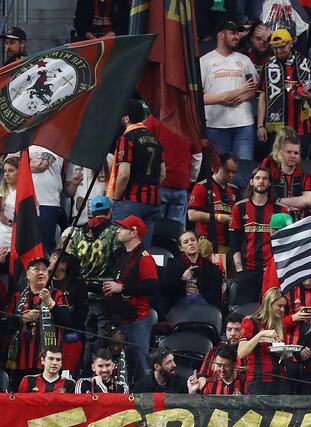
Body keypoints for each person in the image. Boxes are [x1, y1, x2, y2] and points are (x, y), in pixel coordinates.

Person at [67, 195, 123, 373]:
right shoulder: (115, 231)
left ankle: (85, 373)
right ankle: (96, 376)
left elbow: (71, 261)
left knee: (88, 338)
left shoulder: (77, 232)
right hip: (104, 292)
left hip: (82, 292)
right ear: (109, 212)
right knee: (101, 339)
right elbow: (119, 261)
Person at [103, 215, 158, 384]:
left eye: (122, 228)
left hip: (137, 321)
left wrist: (122, 288)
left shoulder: (145, 257)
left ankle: (145, 400)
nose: (118, 231)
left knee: (140, 363)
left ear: (133, 232)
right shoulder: (121, 254)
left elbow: (152, 286)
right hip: (119, 318)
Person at [6, 258, 71, 386]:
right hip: (18, 361)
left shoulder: (57, 294)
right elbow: (4, 324)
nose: (41, 272)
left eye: (44, 269)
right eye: (36, 269)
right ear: (28, 275)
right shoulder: (17, 297)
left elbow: (66, 321)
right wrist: (22, 318)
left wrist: (50, 302)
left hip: (47, 361)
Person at [110, 99, 166, 247]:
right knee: (142, 249)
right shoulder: (155, 139)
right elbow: (162, 174)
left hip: (131, 202)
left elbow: (123, 174)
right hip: (152, 201)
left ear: (127, 118)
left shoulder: (126, 138)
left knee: (121, 248)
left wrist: (115, 198)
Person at [201, 20, 258, 161]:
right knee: (219, 168)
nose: (237, 37)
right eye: (233, 33)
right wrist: (223, 98)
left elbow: (255, 89)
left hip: (243, 123)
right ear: (221, 35)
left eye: (238, 34)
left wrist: (242, 97)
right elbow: (199, 97)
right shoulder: (204, 61)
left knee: (244, 166)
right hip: (215, 124)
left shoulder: (245, 60)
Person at [257, 29, 311, 144]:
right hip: (275, 127)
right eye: (275, 48)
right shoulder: (268, 66)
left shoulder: (305, 63)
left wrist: (307, 96)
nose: (279, 51)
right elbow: (262, 96)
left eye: (282, 47)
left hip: (300, 126)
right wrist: (260, 126)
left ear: (290, 43)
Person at [229, 167, 280, 303]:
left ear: (270, 183)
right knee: (246, 314)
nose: (261, 181)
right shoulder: (239, 208)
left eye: (265, 178)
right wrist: (240, 270)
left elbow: (284, 244)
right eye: (257, 178)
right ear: (251, 182)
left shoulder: (279, 210)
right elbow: (234, 243)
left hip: (270, 272)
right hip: (246, 271)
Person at [237, 287, 288, 394]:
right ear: (269, 304)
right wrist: (261, 334)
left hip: (280, 379)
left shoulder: (280, 324)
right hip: (258, 380)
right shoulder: (250, 321)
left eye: (284, 306)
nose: (283, 310)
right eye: (279, 306)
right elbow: (241, 352)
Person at [188, 152, 239, 254]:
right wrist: (218, 217)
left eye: (233, 172)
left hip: (231, 245)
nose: (230, 175)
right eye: (227, 171)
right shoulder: (202, 187)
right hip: (208, 244)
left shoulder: (235, 190)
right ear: (216, 167)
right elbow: (192, 215)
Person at [48, 250, 88, 374]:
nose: (50, 261)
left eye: (54, 258)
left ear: (64, 265)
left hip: (69, 334)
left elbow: (82, 312)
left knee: (67, 373)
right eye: (51, 257)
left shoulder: (77, 284)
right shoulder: (44, 282)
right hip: (46, 333)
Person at [161, 230, 223, 311]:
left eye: (193, 240)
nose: (190, 243)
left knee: (195, 298)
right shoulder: (172, 265)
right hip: (179, 306)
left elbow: (215, 293)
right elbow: (166, 291)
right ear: (181, 248)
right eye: (186, 242)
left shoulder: (211, 267)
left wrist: (199, 294)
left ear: (198, 243)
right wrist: (182, 279)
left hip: (204, 304)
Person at [265, 130, 311, 221]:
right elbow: (265, 200)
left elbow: (307, 200)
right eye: (289, 152)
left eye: (296, 153)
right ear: (280, 153)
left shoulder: (306, 178)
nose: (293, 156)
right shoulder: (271, 176)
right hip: (274, 223)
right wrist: (296, 202)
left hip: (299, 224)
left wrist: (278, 201)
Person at [28, 145, 64, 253]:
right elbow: (10, 163)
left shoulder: (53, 139)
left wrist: (23, 157)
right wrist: (32, 157)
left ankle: (44, 269)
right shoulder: (25, 139)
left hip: (47, 202)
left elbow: (40, 165)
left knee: (44, 247)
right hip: (24, 200)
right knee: (25, 244)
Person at [198, 312, 244, 377]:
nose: (232, 334)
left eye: (237, 330)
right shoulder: (213, 352)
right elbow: (202, 376)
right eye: (229, 329)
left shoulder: (251, 354)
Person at [0, 156, 18, 249]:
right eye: (4, 171)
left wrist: (9, 222)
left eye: (11, 171)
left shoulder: (26, 196)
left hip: (14, 245)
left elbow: (30, 223)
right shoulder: (1, 192)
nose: (6, 174)